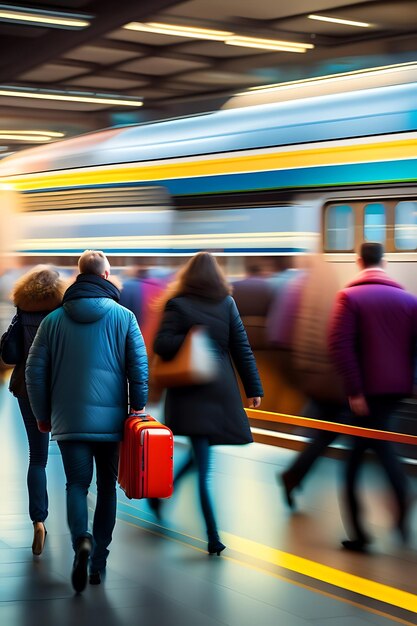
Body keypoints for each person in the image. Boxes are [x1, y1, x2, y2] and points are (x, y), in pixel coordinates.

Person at [26, 250, 148, 592]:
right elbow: (139, 365)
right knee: (107, 487)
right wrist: (137, 405)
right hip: (111, 422)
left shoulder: (53, 320)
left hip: (68, 419)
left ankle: (81, 539)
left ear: (79, 277)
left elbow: (35, 372)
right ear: (106, 276)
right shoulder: (124, 317)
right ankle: (98, 561)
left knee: (76, 485)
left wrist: (42, 415)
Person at [153, 251, 263, 555]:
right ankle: (212, 534)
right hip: (215, 389)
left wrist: (186, 336)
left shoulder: (178, 303)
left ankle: (162, 496)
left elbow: (161, 344)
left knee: (201, 456)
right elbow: (242, 348)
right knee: (204, 462)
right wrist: (253, 388)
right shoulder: (226, 303)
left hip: (193, 390)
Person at [329, 242, 416, 551]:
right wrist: (410, 381)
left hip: (365, 393)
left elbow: (339, 346)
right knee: (380, 446)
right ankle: (400, 499)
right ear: (385, 262)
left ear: (358, 261)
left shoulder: (349, 297)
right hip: (396, 391)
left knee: (353, 460)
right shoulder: (408, 299)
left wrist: (355, 390)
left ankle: (360, 534)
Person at [0, 266, 67, 555]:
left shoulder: (23, 311)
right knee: (73, 453)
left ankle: (39, 520)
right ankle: (80, 514)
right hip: (61, 390)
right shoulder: (64, 311)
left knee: (37, 456)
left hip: (27, 388)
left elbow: (8, 353)